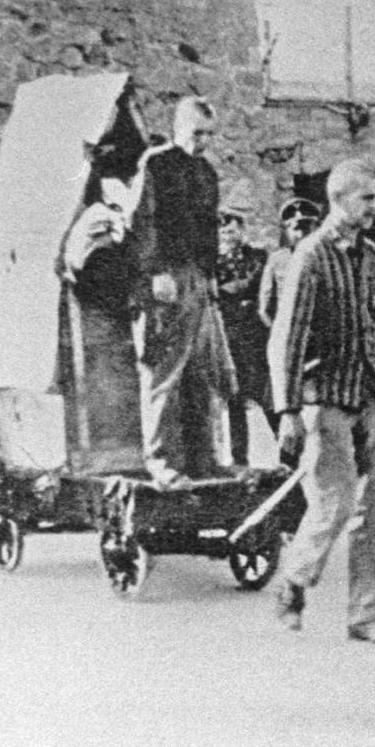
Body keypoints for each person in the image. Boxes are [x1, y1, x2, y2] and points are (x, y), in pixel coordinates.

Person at [268, 158, 375, 644]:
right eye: (366, 198)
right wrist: (288, 412)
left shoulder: (372, 257)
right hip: (324, 399)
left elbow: (371, 324)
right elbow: (286, 337)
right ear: (339, 199)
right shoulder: (310, 255)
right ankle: (293, 585)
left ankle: (365, 615)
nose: (374, 207)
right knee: (335, 503)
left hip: (369, 394)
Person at [128, 96, 236, 487]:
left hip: (196, 281)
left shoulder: (207, 173)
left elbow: (208, 229)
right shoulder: (156, 165)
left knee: (201, 373)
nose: (202, 142)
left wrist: (209, 276)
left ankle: (203, 459)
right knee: (164, 374)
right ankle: (161, 463)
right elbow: (142, 222)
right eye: (195, 133)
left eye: (208, 134)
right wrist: (155, 271)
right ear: (177, 130)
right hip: (165, 282)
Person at [215, 187, 276, 466]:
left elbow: (257, 284)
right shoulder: (213, 264)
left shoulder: (258, 257)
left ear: (243, 231)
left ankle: (287, 453)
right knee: (235, 399)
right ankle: (240, 458)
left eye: (233, 230)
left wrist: (233, 293)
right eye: (224, 232)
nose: (229, 235)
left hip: (256, 337)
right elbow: (215, 292)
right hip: (230, 337)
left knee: (267, 395)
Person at [259, 196, 322, 330]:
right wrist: (278, 334)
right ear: (287, 231)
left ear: (317, 228)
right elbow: (264, 307)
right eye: (295, 229)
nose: (300, 234)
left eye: (306, 228)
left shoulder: (328, 258)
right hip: (288, 332)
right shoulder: (277, 259)